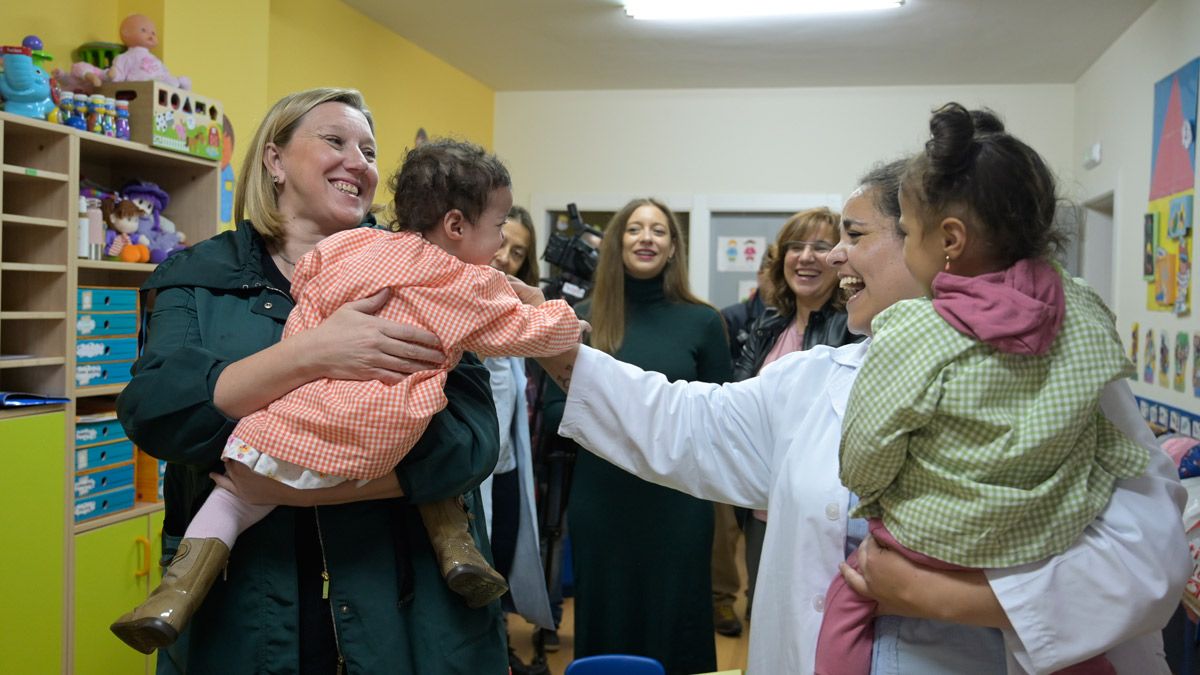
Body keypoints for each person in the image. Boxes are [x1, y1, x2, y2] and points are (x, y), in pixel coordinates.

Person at [524, 158, 1189, 674]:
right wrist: (553, 344)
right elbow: (683, 421)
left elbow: (1145, 562)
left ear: (934, 244)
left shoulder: (1058, 374)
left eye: (855, 234)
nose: (836, 255)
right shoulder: (814, 381)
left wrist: (944, 597)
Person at [111, 138, 581, 653]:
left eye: (370, 149)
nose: (357, 159)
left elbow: (472, 440)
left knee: (232, 497)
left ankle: (173, 596)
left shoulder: (352, 249)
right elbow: (523, 334)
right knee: (422, 439)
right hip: (377, 431)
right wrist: (558, 318)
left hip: (302, 422)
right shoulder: (468, 285)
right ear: (274, 159)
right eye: (335, 140)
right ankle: (457, 550)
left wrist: (307, 330)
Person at [813, 104, 1147, 675]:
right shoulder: (1082, 307)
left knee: (850, 597)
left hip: (930, 541)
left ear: (949, 240)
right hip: (1049, 536)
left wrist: (873, 493)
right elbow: (1098, 418)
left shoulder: (916, 326)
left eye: (910, 233)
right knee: (1074, 653)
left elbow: (867, 452)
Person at [543, 197, 733, 674]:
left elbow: (721, 418)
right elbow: (552, 413)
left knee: (678, 626)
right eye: (634, 229)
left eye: (659, 230)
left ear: (673, 248)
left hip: (679, 504)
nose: (646, 237)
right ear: (616, 243)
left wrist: (613, 414)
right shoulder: (579, 318)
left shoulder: (705, 322)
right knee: (609, 623)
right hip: (603, 503)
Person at [729, 207, 862, 629]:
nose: (805, 257)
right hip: (764, 504)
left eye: (820, 247)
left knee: (819, 624)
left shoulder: (856, 330)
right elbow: (739, 406)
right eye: (795, 247)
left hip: (826, 510)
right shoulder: (768, 326)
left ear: (840, 259)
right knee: (765, 615)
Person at [480, 205, 557, 674]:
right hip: (472, 476)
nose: (506, 256)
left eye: (519, 251)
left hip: (505, 469)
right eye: (501, 240)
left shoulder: (512, 316)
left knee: (502, 568)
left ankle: (498, 649)